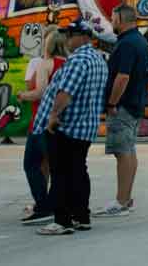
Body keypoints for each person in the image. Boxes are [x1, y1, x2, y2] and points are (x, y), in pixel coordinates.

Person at [32, 17, 108, 235]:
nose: (67, 39)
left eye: (71, 35)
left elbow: (66, 93)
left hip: (66, 127)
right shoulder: (98, 59)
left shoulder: (77, 60)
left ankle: (62, 221)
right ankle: (81, 216)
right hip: (85, 128)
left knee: (61, 173)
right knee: (78, 171)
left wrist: (53, 116)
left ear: (84, 37)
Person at [95, 5, 148, 218]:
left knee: (123, 152)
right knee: (128, 150)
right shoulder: (138, 41)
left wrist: (111, 104)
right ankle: (125, 199)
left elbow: (123, 77)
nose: (111, 21)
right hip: (134, 103)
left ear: (120, 18)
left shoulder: (127, 44)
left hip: (124, 106)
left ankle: (121, 201)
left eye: (112, 17)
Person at [18, 27, 67, 225]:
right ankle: (57, 204)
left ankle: (42, 204)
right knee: (55, 165)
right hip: (62, 121)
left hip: (40, 120)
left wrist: (23, 95)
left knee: (31, 164)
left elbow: (40, 92)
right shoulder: (68, 64)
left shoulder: (44, 64)